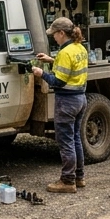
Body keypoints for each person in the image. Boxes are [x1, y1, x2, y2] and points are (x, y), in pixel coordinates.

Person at [32, 17, 88, 193]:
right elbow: (69, 67)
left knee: (66, 143)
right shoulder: (79, 48)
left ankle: (67, 181)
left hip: (67, 102)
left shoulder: (65, 53)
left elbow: (58, 81)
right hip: (80, 99)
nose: (53, 38)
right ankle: (79, 177)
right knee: (76, 139)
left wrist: (41, 73)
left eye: (54, 34)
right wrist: (51, 60)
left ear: (62, 33)